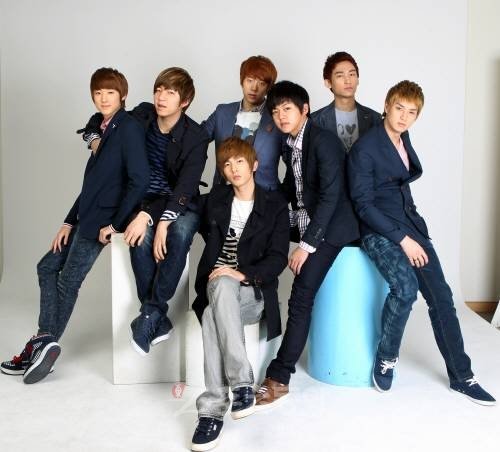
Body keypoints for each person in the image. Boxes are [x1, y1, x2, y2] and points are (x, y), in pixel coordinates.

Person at [348, 80, 496, 406]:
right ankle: (386, 357)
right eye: (399, 108)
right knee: (405, 289)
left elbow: (401, 183)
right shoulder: (365, 149)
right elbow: (363, 205)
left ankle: (462, 377)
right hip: (378, 231)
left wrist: (414, 235)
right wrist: (402, 240)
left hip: (411, 226)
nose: (403, 117)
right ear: (386, 106)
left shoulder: (403, 138)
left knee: (442, 298)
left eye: (411, 112)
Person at [1, 67, 150, 383]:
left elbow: (140, 180)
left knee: (68, 282)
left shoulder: (129, 128)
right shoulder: (103, 130)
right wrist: (68, 220)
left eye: (110, 92)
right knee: (46, 267)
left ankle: (41, 345)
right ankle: (44, 342)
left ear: (123, 95)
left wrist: (115, 224)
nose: (103, 98)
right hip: (85, 217)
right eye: (98, 92)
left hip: (102, 222)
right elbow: (92, 185)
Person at [82, 67, 209, 355]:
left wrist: (161, 221)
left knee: (179, 234)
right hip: (142, 199)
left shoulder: (196, 136)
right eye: (158, 90)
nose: (161, 97)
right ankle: (156, 317)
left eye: (170, 93)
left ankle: (151, 312)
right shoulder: (142, 115)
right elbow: (102, 118)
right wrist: (95, 140)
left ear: (185, 101)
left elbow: (185, 187)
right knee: (138, 239)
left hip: (179, 202)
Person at [254, 81, 360, 409]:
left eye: (287, 109)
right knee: (259, 232)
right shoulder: (290, 143)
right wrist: (261, 207)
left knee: (301, 296)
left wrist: (306, 245)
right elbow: (292, 186)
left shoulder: (323, 142)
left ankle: (279, 377)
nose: (281, 116)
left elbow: (331, 197)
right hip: (306, 216)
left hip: (333, 226)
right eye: (276, 111)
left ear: (305, 109)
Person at [190, 137, 289, 451]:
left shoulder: (274, 206)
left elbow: (278, 259)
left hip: (252, 293)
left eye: (240, 162)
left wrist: (242, 274)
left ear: (254, 165)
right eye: (226, 164)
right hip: (218, 287)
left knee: (211, 313)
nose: (233, 168)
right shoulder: (215, 201)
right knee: (220, 285)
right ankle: (242, 388)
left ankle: (212, 409)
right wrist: (157, 221)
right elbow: (181, 204)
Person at [203, 55, 283, 191]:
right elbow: (196, 138)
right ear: (242, 81)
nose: (254, 88)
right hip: (223, 194)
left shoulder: (277, 117)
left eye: (261, 83)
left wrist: (282, 196)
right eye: (249, 80)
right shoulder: (222, 112)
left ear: (269, 87)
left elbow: (295, 159)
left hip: (265, 195)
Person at [311, 51, 380, 151]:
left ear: (358, 79)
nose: (348, 81)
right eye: (340, 76)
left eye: (352, 74)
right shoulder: (315, 121)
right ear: (328, 83)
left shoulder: (375, 118)